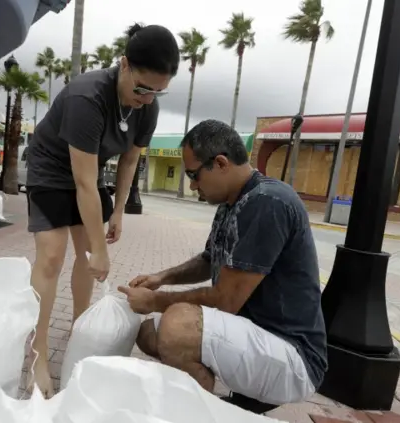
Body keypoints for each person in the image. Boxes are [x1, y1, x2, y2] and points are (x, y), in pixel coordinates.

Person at [118, 120, 328, 408]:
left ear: (220, 163)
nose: (192, 185)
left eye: (194, 174)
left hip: (293, 356)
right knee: (149, 333)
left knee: (178, 325)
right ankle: (218, 403)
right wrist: (161, 277)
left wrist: (154, 300)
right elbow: (209, 259)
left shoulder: (268, 202)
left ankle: (201, 412)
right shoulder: (233, 202)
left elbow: (225, 300)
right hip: (256, 336)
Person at [25, 23, 180, 397]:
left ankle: (80, 326)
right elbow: (81, 182)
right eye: (143, 88)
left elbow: (128, 162)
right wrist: (102, 249)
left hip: (88, 175)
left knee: (86, 257)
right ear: (124, 65)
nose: (148, 98)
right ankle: (38, 353)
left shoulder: (148, 107)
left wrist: (119, 212)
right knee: (52, 256)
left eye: (159, 91)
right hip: (51, 170)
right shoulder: (87, 96)